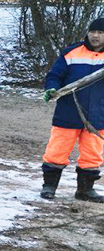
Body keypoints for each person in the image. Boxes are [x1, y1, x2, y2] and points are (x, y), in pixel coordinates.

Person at [39, 18, 104, 202]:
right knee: (56, 151)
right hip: (68, 112)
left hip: (98, 115)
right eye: (92, 32)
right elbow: (54, 76)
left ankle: (85, 190)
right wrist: (52, 89)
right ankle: (49, 187)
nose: (95, 36)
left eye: (100, 33)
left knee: (92, 154)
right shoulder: (71, 53)